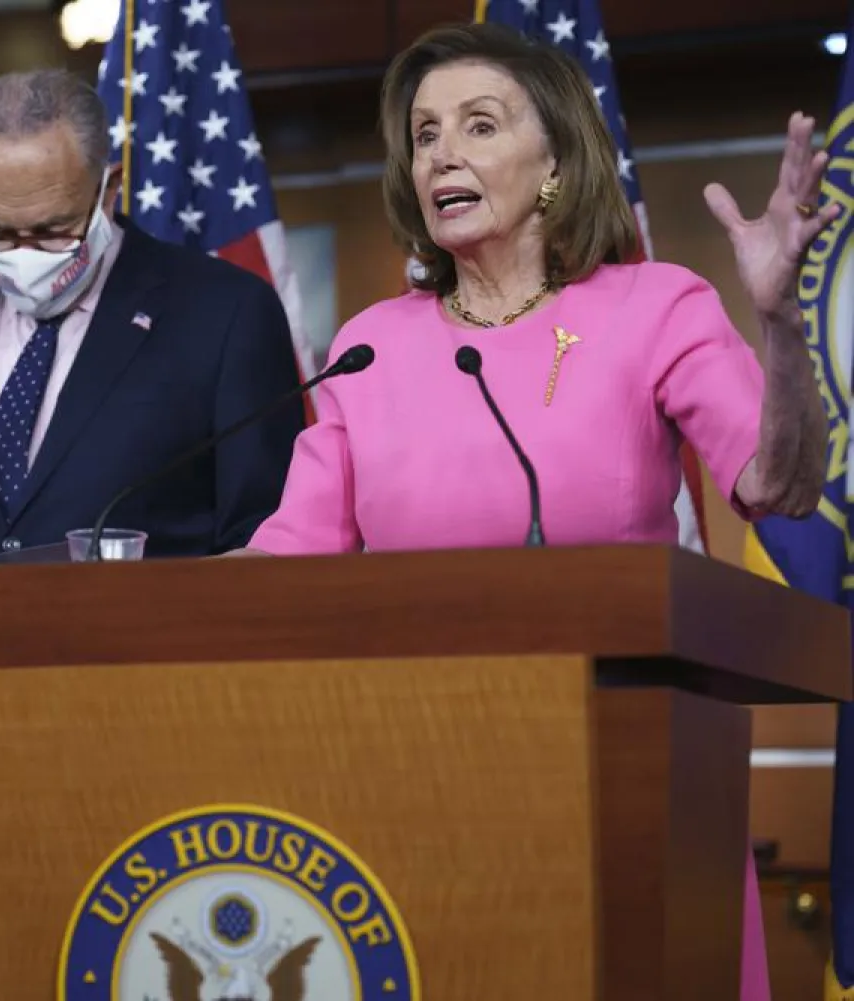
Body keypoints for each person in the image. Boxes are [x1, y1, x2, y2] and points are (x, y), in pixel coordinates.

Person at [236, 23, 832, 1001]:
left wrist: (779, 323)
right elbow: (283, 565)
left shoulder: (655, 307)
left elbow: (781, 484)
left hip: (623, 763)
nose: (443, 155)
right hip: (413, 773)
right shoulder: (371, 344)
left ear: (556, 161)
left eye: (479, 125)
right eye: (425, 135)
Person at [0, 68, 304, 568]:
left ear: (108, 187)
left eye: (54, 229)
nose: (25, 255)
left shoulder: (225, 314)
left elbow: (261, 542)